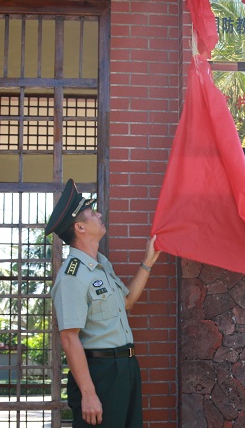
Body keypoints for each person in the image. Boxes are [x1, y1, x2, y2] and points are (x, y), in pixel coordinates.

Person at [46, 179, 161, 427]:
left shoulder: (101, 265)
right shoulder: (72, 276)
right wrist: (88, 393)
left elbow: (128, 302)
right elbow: (69, 337)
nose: (99, 214)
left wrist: (148, 261)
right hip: (100, 373)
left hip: (125, 369)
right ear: (80, 227)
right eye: (91, 212)